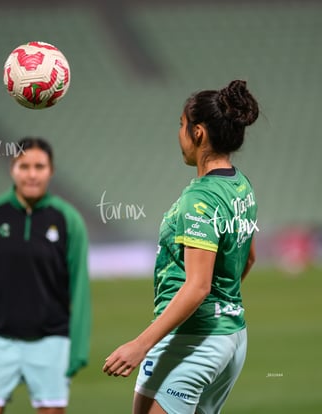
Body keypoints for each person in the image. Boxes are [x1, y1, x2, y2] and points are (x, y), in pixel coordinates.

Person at [103, 80, 259, 414]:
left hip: (193, 342)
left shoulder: (200, 199)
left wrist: (139, 345)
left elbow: (198, 286)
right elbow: (249, 257)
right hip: (229, 337)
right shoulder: (240, 185)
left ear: (198, 132)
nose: (179, 133)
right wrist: (221, 307)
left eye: (181, 125)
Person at [0, 137, 91, 414]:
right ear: (12, 169)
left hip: (51, 340)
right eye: (24, 166)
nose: (32, 174)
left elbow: (79, 287)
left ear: (51, 171)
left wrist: (78, 344)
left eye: (39, 166)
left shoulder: (68, 220)